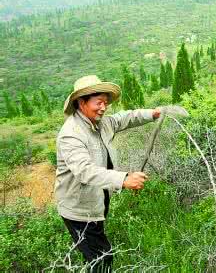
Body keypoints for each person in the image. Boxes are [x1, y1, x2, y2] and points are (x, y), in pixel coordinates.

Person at [54, 75, 160, 272]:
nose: (103, 108)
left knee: (96, 252)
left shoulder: (100, 122)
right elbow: (85, 171)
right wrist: (124, 178)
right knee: (102, 259)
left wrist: (152, 113)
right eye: (98, 103)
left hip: (96, 200)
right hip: (78, 210)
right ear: (81, 102)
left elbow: (124, 118)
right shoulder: (71, 134)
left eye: (105, 103)